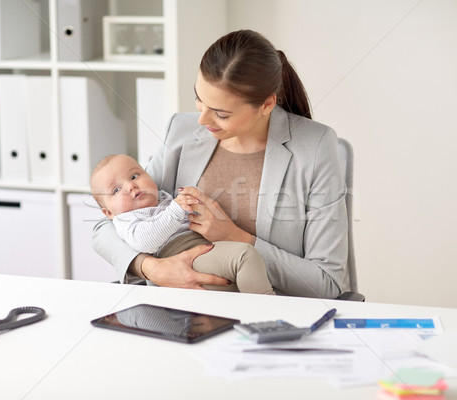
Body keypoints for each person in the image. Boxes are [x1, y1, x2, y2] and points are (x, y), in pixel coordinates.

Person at [93, 29, 347, 298]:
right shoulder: (181, 129)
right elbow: (108, 224)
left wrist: (237, 237)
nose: (202, 121)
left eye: (221, 114)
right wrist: (151, 268)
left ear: (266, 104)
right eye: (199, 100)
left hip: (267, 314)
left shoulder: (315, 147)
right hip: (181, 309)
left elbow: (327, 284)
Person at [90, 153, 275, 295]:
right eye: (116, 190)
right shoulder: (125, 219)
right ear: (108, 213)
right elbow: (145, 242)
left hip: (204, 250)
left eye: (134, 176)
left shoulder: (161, 197)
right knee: (244, 256)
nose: (131, 186)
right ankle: (269, 314)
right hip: (181, 257)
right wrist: (177, 209)